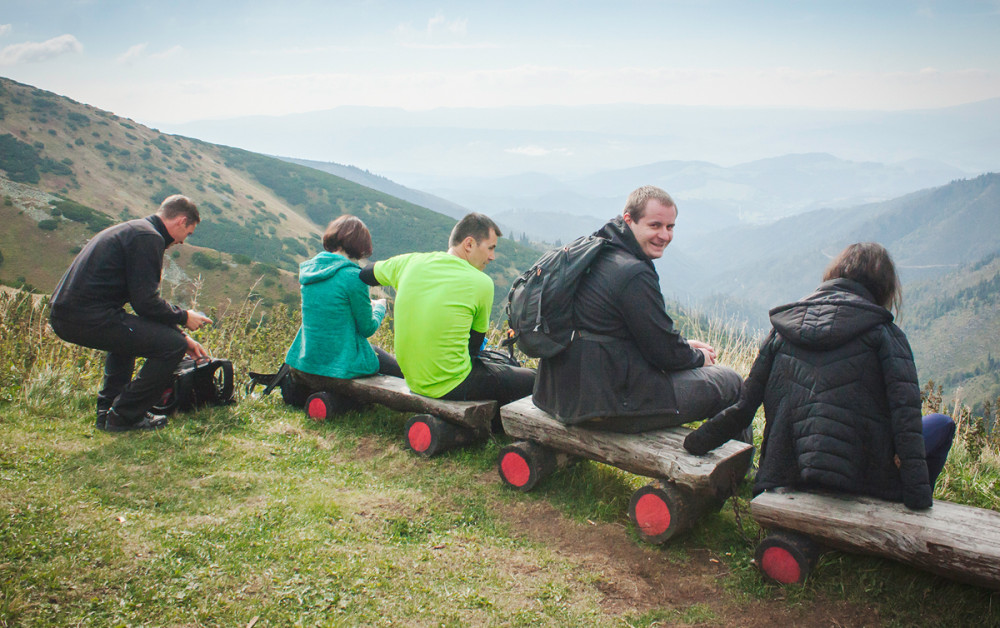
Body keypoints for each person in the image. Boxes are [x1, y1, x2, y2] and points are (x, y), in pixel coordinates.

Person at [682, 242, 955, 510]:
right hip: (862, 481)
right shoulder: (886, 335)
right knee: (941, 423)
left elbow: (743, 408)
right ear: (884, 287)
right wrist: (918, 502)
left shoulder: (782, 330)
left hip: (784, 474)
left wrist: (696, 443)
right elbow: (906, 424)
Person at [532, 185, 741, 432]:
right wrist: (699, 357)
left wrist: (684, 344)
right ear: (629, 220)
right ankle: (732, 466)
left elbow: (626, 332)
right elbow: (663, 353)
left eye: (670, 226)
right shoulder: (633, 273)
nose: (664, 235)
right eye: (655, 225)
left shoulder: (594, 252)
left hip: (557, 395)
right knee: (731, 382)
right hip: (604, 406)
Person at [49, 194, 212, 432]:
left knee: (128, 337)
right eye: (188, 233)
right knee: (172, 346)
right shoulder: (149, 238)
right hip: (85, 317)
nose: (183, 242)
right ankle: (125, 415)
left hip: (70, 315)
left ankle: (109, 413)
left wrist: (182, 333)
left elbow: (142, 307)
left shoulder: (136, 229)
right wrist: (184, 318)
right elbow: (146, 303)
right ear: (181, 221)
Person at [360, 212, 535, 409]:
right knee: (534, 379)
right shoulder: (482, 283)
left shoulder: (410, 262)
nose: (492, 257)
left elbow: (365, 274)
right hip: (452, 383)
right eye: (490, 248)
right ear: (469, 244)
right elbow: (474, 348)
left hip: (413, 379)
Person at [284, 215, 402, 395]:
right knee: (397, 368)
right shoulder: (353, 277)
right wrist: (379, 308)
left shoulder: (309, 271)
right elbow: (367, 329)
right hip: (340, 365)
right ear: (360, 245)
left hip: (306, 360)